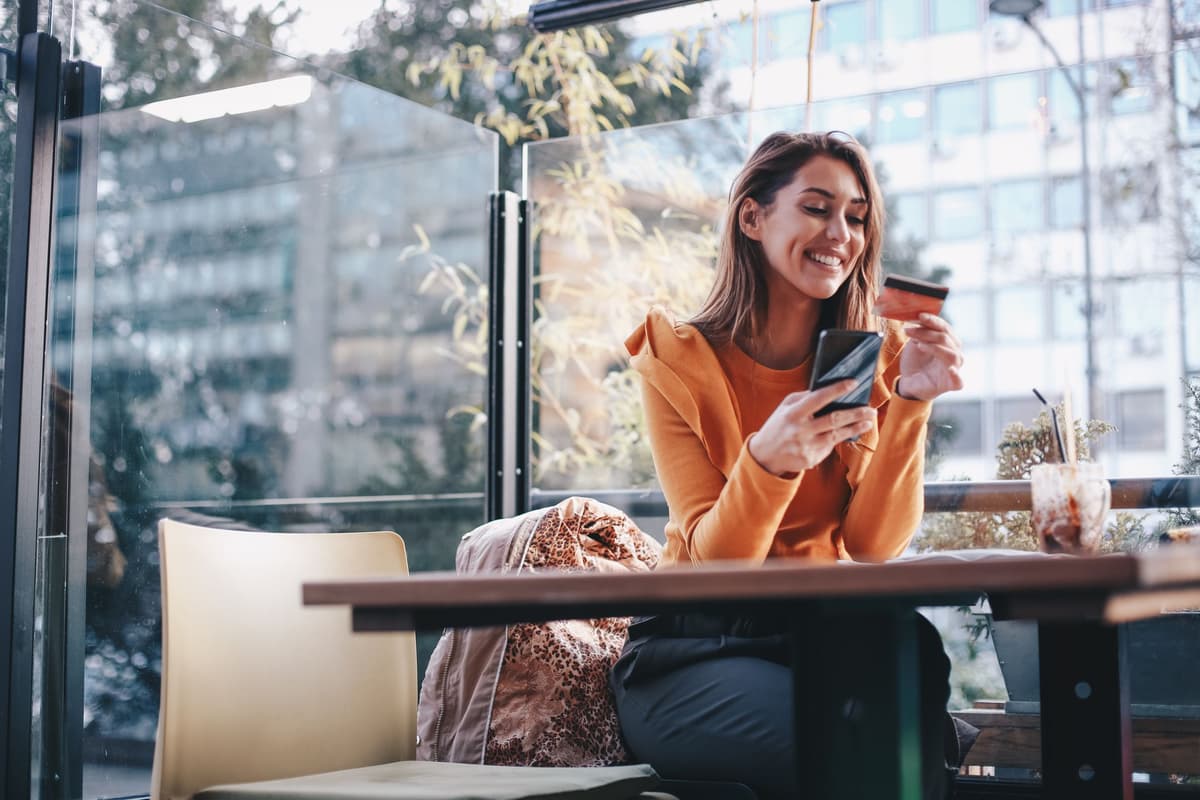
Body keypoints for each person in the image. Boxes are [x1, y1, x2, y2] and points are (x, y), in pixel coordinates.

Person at [608, 131, 974, 800]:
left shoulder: (872, 355)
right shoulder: (679, 359)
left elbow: (872, 546)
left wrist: (913, 403)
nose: (840, 232)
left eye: (857, 216)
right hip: (690, 652)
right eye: (816, 207)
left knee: (907, 665)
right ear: (753, 218)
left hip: (811, 636)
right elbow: (717, 570)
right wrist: (767, 464)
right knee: (858, 747)